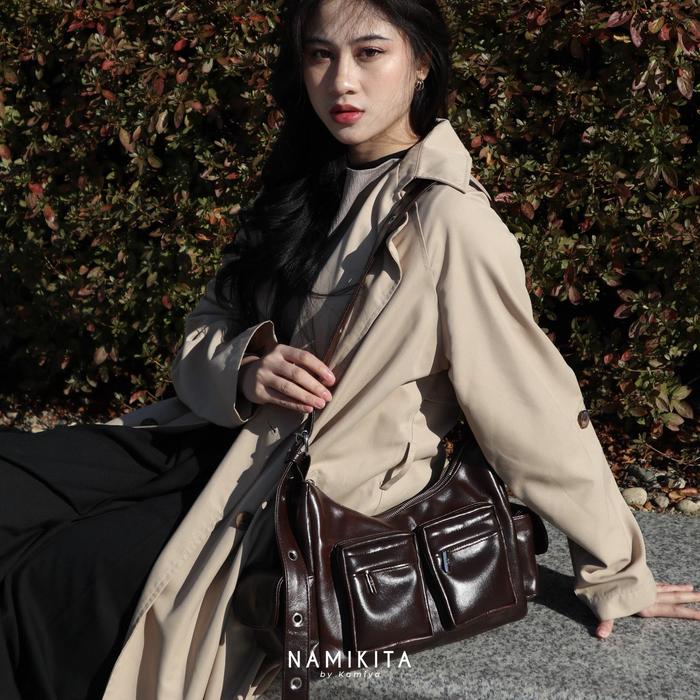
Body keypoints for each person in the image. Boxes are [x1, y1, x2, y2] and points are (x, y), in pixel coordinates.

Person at [1, 0, 698, 698]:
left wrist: (618, 572)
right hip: (209, 437)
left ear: (421, 63)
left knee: (60, 577)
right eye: (320, 54)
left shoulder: (448, 220)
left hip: (300, 490)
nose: (342, 80)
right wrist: (246, 368)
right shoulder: (297, 185)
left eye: (370, 53)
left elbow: (530, 407)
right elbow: (204, 328)